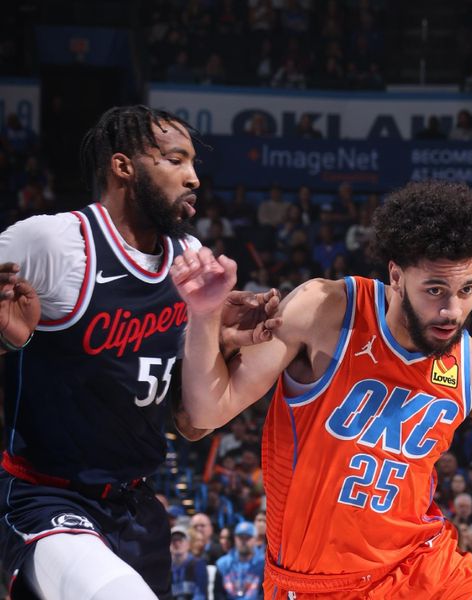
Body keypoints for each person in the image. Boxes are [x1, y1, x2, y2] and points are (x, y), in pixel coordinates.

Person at [173, 181, 472, 598]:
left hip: (428, 571)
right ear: (397, 276)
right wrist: (203, 315)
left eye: (468, 290)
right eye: (435, 290)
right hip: (314, 584)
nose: (452, 310)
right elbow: (207, 410)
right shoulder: (325, 312)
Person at [0, 105, 280, 599]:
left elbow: (190, 422)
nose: (193, 177)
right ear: (124, 166)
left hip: (137, 509)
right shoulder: (52, 242)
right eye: (175, 160)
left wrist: (219, 343)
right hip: (45, 495)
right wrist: (6, 341)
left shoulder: (190, 261)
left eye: (194, 163)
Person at [214, 521, 265, 600]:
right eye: (240, 537)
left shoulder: (263, 564)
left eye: (248, 537)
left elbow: (264, 594)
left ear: (255, 539)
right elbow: (218, 594)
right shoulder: (223, 564)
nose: (244, 541)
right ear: (235, 538)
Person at [170, 524, 209, 600]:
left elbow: (200, 595)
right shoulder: (164, 568)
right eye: (173, 540)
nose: (177, 543)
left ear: (188, 543)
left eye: (180, 539)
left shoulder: (198, 564)